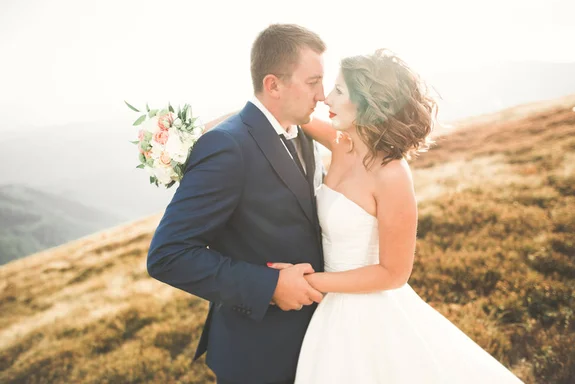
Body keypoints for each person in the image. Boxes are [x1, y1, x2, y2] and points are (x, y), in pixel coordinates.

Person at [266, 49, 524, 383]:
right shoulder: (340, 142)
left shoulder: (392, 175)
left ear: (369, 104)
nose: (325, 97)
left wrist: (307, 283)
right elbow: (274, 116)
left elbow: (394, 273)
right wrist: (190, 137)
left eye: (339, 91)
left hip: (368, 315)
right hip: (330, 310)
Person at [146, 24, 327, 384]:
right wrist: (270, 287)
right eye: (312, 82)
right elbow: (168, 254)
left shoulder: (302, 133)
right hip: (259, 355)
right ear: (273, 85)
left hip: (318, 341)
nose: (322, 95)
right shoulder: (227, 147)